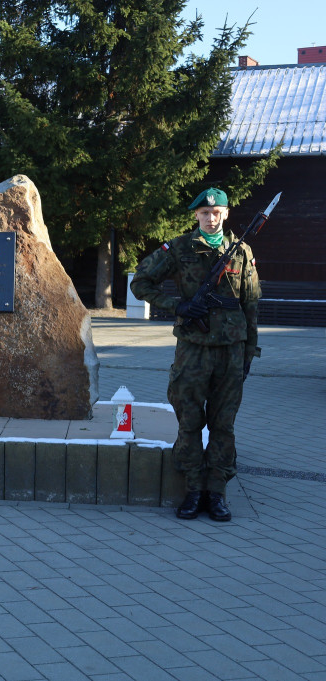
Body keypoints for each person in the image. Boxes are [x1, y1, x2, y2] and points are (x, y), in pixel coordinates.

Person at [130, 187, 260, 522]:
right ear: (196, 215)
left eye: (217, 212)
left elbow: (251, 305)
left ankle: (216, 492)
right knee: (189, 422)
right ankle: (192, 490)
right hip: (192, 349)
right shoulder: (179, 247)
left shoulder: (242, 252)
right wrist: (180, 306)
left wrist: (249, 352)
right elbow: (141, 282)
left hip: (231, 350)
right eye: (205, 212)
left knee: (223, 424)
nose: (211, 217)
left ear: (226, 213)